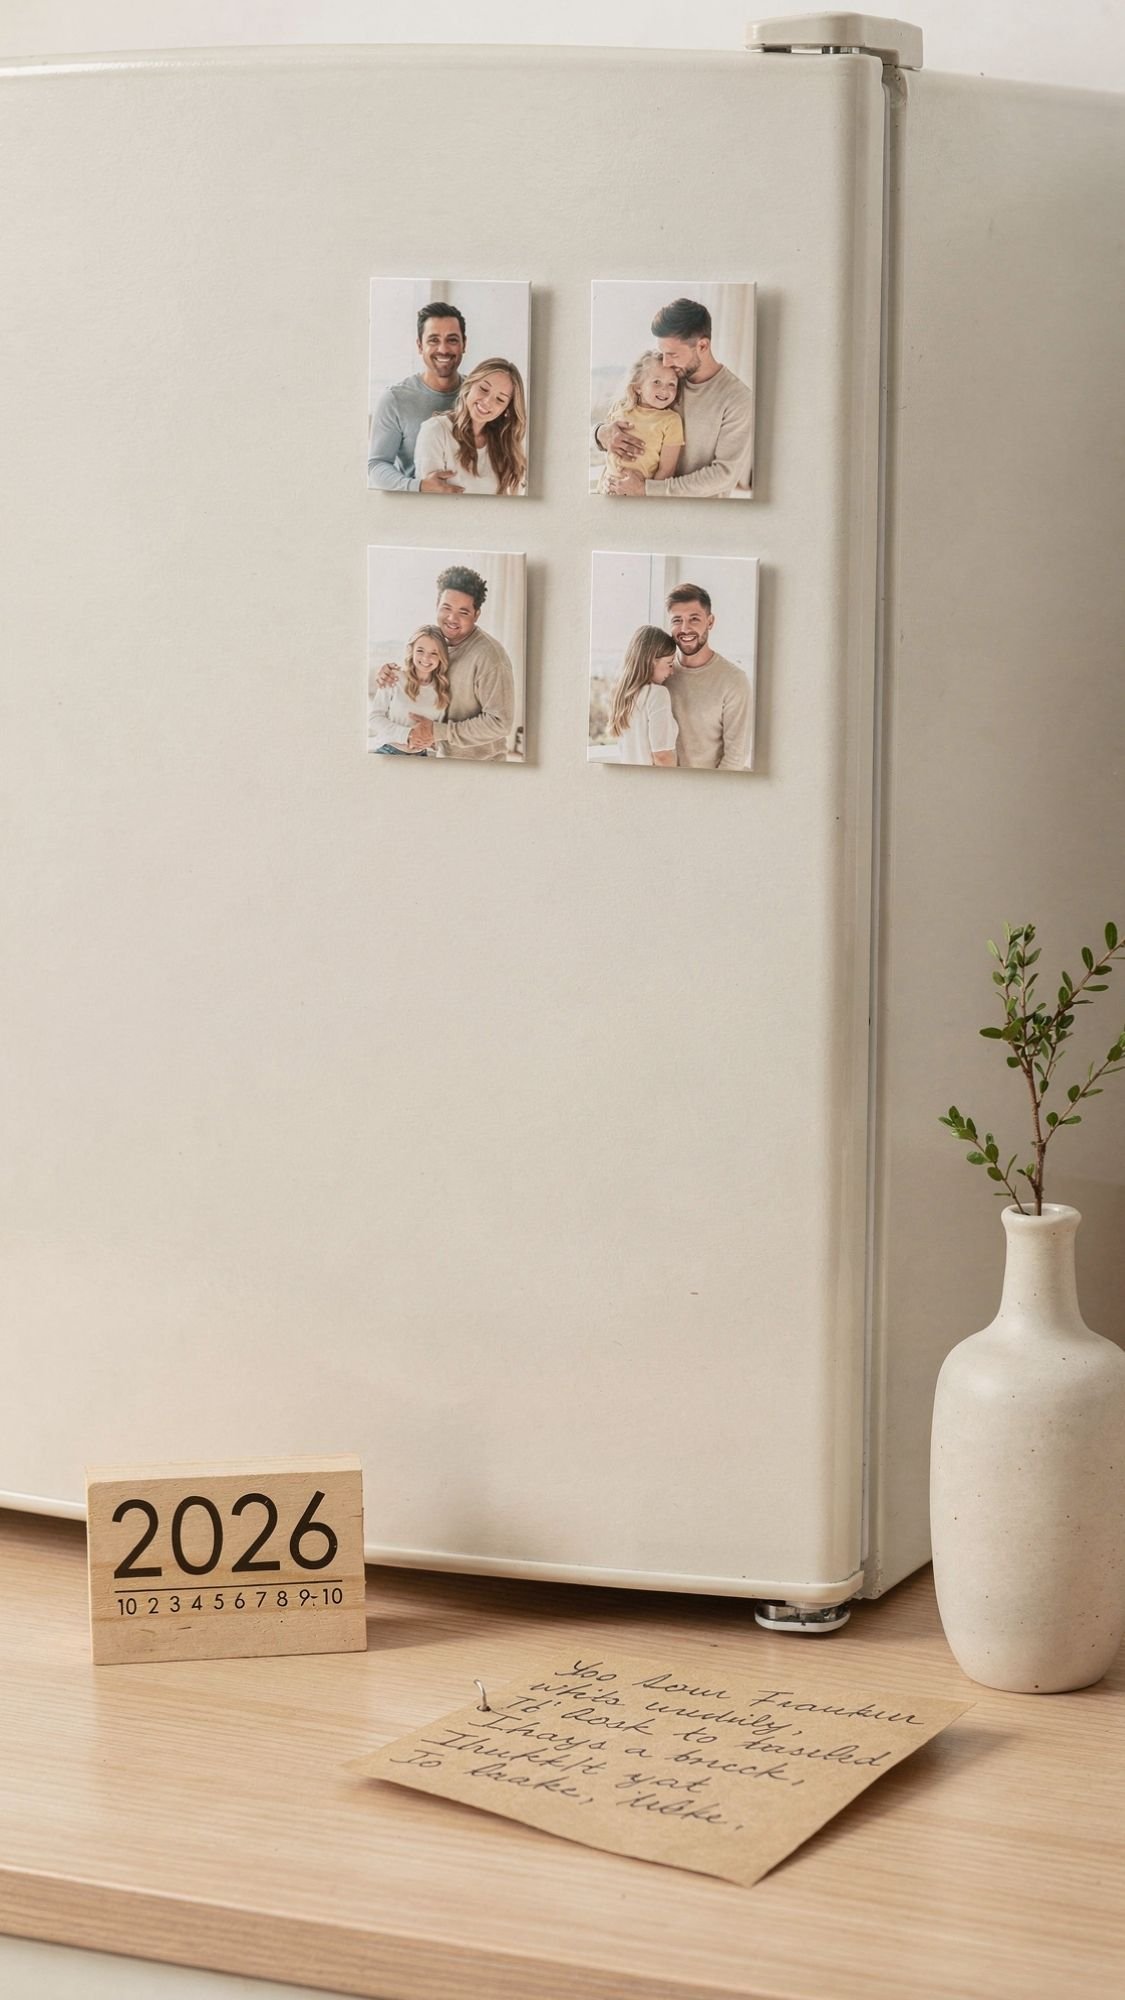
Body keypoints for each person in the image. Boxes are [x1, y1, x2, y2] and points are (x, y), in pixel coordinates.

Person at [595, 297, 754, 498]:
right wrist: (600, 434)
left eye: (673, 354)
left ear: (703, 346)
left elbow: (724, 475)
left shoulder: (738, 399)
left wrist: (647, 489)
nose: (666, 362)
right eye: (663, 353)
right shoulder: (665, 378)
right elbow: (627, 412)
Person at [374, 565, 515, 761]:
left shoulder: (490, 658)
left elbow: (500, 723)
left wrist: (438, 731)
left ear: (477, 614)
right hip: (435, 757)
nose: (452, 618)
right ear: (437, 604)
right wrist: (388, 672)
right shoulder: (438, 643)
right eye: (446, 608)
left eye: (463, 612)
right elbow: (417, 669)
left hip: (479, 765)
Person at [368, 301, 469, 493]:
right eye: (433, 340)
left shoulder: (481, 397)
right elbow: (377, 465)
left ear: (464, 344)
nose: (443, 349)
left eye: (452, 340)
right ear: (420, 345)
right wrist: (420, 486)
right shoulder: (394, 399)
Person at [663, 583, 753, 769]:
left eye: (694, 619)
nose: (685, 628)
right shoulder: (660, 673)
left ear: (710, 622)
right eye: (677, 620)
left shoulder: (734, 680)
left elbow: (735, 757)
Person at [414, 358, 528, 496]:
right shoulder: (435, 430)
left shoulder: (508, 445)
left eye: (500, 399)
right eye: (484, 389)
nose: (487, 401)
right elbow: (429, 498)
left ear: (506, 410)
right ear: (471, 383)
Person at [596, 352, 683, 495]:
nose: (665, 389)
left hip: (640, 497)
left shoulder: (671, 421)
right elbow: (609, 455)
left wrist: (646, 495)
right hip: (608, 493)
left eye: (672, 384)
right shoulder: (620, 408)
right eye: (657, 382)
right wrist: (604, 483)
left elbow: (666, 470)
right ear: (638, 387)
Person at [368, 625, 450, 755]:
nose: (426, 658)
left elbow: (438, 729)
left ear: (441, 657)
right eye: (420, 651)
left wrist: (432, 741)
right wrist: (408, 735)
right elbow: (374, 718)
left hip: (422, 755)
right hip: (390, 752)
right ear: (411, 651)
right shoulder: (394, 677)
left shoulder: (442, 689)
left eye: (434, 653)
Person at [607, 626, 679, 766]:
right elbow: (662, 755)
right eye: (669, 664)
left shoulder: (622, 695)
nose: (672, 672)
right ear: (651, 660)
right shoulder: (657, 694)